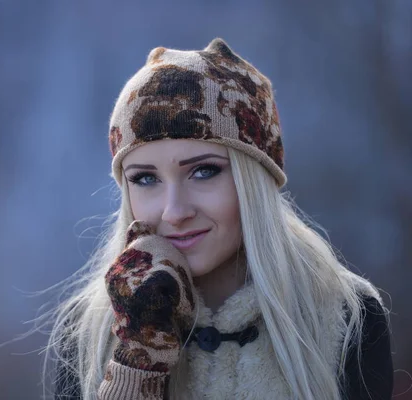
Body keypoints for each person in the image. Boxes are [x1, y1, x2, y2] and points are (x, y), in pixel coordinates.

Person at [46, 38, 393, 399]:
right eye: (145, 179)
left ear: (254, 179)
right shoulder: (86, 331)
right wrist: (137, 362)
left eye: (204, 172)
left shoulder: (345, 317)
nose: (175, 212)